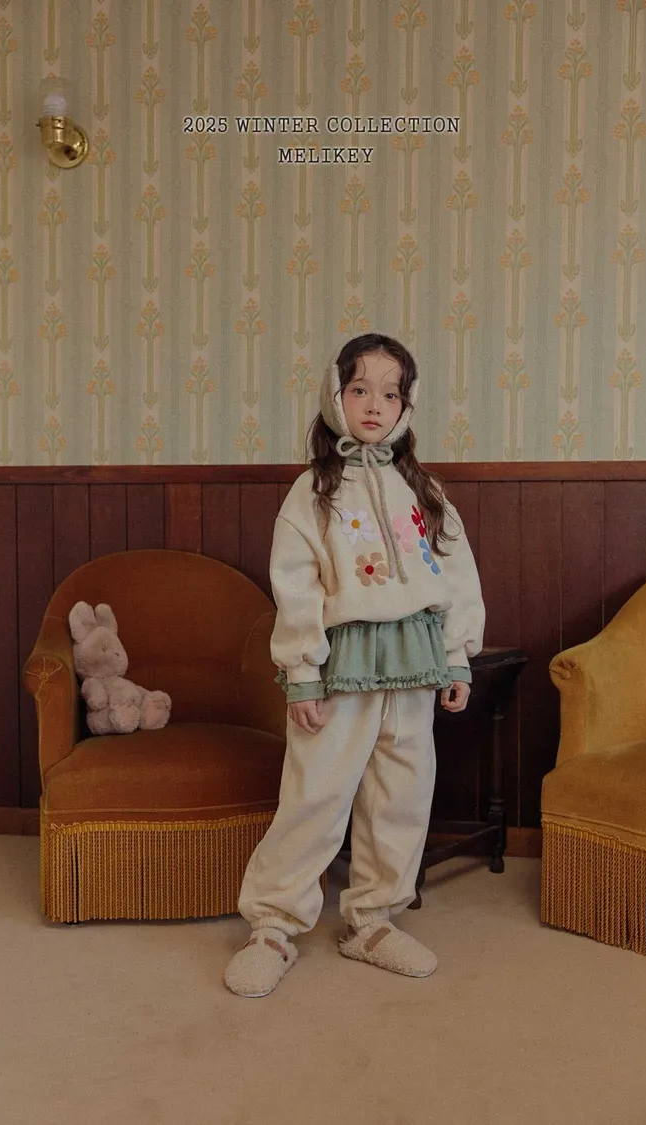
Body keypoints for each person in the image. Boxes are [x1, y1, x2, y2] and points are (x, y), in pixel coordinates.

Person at [224, 333, 485, 998]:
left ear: (406, 405)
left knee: (402, 793)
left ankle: (373, 919)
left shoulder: (423, 490)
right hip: (343, 661)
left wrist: (457, 656)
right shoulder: (314, 491)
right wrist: (302, 672)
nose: (374, 405)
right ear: (335, 397)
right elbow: (297, 585)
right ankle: (273, 926)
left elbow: (457, 576)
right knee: (316, 791)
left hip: (416, 659)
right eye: (360, 389)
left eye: (389, 394)